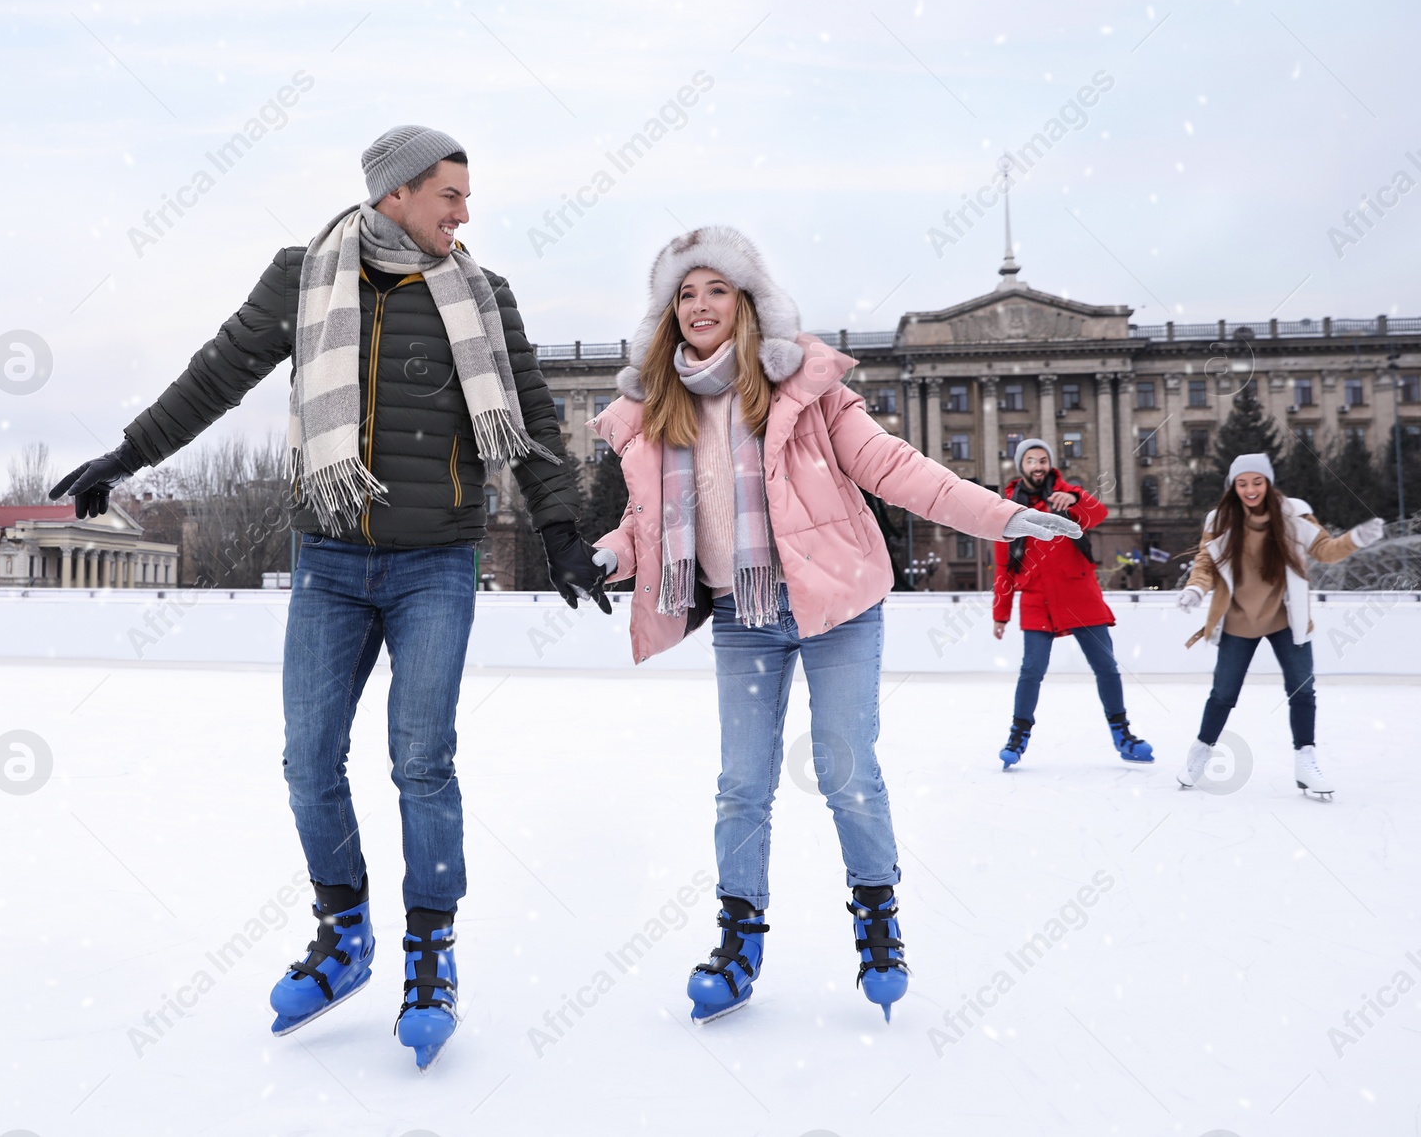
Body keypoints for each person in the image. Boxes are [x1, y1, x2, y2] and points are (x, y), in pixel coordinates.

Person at [49, 126, 610, 1069]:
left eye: (467, 198)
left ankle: (431, 949)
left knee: (421, 759)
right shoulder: (304, 277)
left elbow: (537, 417)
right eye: (450, 195)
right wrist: (129, 453)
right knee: (307, 758)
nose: (465, 214)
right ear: (396, 194)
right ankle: (345, 931)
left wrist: (558, 529)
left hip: (437, 560)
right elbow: (214, 377)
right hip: (332, 559)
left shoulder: (483, 294)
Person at [586, 226, 1079, 1024]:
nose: (701, 304)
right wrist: (604, 557)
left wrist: (1003, 517)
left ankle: (877, 917)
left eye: (717, 289)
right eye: (685, 293)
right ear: (668, 314)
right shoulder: (656, 412)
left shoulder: (806, 388)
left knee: (845, 770)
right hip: (744, 617)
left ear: (747, 303)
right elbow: (647, 524)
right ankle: (739, 934)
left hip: (838, 606)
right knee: (740, 785)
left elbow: (896, 468)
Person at [1175, 453, 1384, 798]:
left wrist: (1355, 539)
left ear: (1268, 483)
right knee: (1223, 694)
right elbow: (1205, 562)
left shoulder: (1294, 515)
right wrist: (1195, 589)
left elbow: (1325, 550)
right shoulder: (1221, 520)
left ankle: (1306, 760)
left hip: (1286, 619)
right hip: (1237, 619)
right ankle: (1201, 752)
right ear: (1233, 487)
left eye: (1257, 482)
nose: (1250, 489)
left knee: (1303, 691)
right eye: (1242, 483)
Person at [990, 440, 1153, 768]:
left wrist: (1076, 498)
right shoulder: (1009, 508)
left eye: (1043, 459)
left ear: (1050, 464)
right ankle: (1018, 735)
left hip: (1080, 595)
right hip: (1037, 598)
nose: (1038, 465)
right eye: (1031, 460)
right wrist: (1001, 613)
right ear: (1021, 466)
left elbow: (1099, 514)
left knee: (1106, 666)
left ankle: (1123, 735)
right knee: (1031, 671)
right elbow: (1003, 565)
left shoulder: (1065, 494)